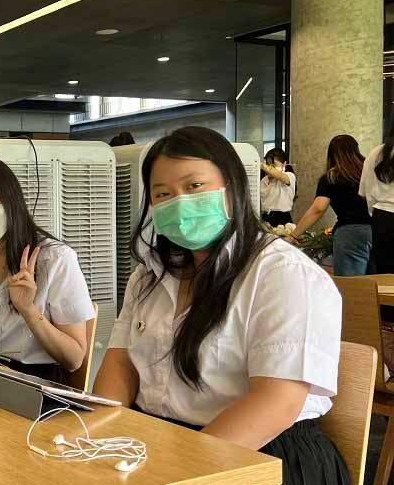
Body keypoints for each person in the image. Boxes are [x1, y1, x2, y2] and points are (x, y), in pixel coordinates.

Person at [94, 126, 348, 485]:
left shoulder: (282, 274)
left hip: (260, 456)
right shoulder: (149, 274)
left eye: (194, 187)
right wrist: (96, 437)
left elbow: (277, 401)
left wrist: (181, 471)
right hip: (161, 445)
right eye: (162, 194)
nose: (177, 202)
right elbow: (120, 365)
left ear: (232, 188)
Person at [0, 156, 93, 382]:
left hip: (37, 382)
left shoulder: (55, 259)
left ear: (10, 197)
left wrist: (28, 310)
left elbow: (74, 359)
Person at [288, 135, 372, 276]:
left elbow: (318, 208)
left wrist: (293, 235)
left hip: (350, 233)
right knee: (377, 282)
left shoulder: (332, 177)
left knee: (353, 286)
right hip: (378, 229)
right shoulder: (371, 172)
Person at [361, 135, 394, 273]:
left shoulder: (376, 153)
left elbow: (364, 191)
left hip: (382, 218)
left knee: (385, 273)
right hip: (382, 215)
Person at [260, 148, 296, 226]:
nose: (270, 168)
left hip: (282, 219)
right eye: (268, 164)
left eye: (274, 165)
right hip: (265, 218)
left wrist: (265, 167)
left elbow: (280, 176)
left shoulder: (289, 176)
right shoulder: (264, 180)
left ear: (284, 164)